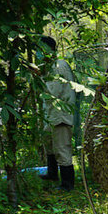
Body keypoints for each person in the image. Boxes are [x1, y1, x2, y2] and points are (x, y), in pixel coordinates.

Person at [38, 36, 77, 190]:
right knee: (50, 145)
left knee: (62, 149)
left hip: (61, 115)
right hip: (50, 115)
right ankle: (52, 174)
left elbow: (52, 92)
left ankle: (67, 184)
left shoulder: (58, 66)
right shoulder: (49, 67)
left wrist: (38, 77)